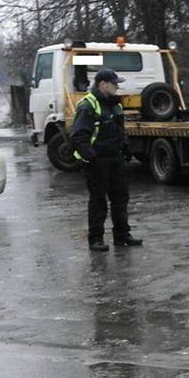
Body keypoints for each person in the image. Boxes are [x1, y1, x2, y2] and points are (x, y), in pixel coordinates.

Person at [68, 69, 143, 252]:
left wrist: (125, 148)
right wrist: (91, 158)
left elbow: (119, 130)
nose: (117, 86)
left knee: (120, 198)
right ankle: (96, 239)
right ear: (103, 84)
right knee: (98, 201)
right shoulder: (88, 105)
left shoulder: (114, 104)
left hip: (115, 159)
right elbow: (78, 136)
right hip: (97, 161)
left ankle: (122, 235)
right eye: (114, 83)